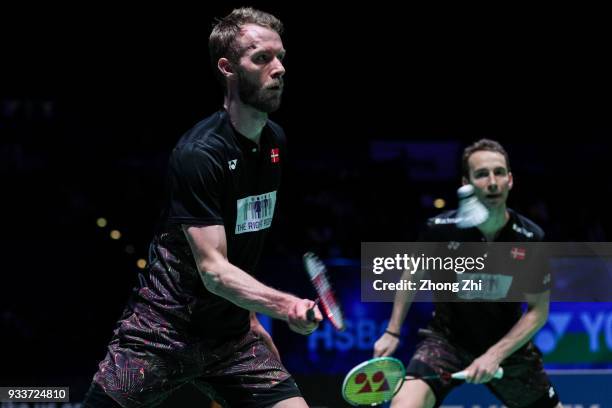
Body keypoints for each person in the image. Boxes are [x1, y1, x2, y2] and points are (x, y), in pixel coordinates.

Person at [83, 7, 322, 408]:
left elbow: (241, 245)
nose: (279, 69)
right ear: (228, 68)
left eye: (281, 57)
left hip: (231, 340)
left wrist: (250, 318)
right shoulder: (200, 154)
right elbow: (212, 270)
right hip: (162, 333)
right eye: (262, 58)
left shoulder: (274, 143)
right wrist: (285, 306)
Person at [373, 139, 562, 408]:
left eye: (498, 172)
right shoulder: (441, 230)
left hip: (508, 346)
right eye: (482, 174)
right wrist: (392, 332)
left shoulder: (529, 238)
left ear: (510, 180)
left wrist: (494, 355)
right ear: (467, 183)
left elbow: (538, 311)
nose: (492, 181)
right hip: (447, 342)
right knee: (405, 403)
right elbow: (411, 275)